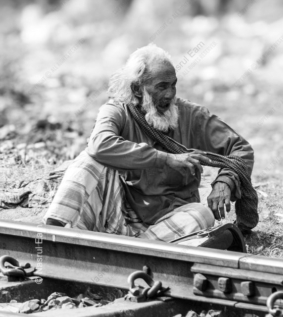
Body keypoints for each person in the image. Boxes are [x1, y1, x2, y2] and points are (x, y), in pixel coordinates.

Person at [43, 44, 256, 251]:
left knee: (204, 215)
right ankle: (52, 234)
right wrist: (166, 158)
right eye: (162, 86)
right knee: (88, 161)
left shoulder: (191, 115)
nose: (170, 94)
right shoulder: (117, 110)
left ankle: (134, 251)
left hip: (170, 222)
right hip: (118, 216)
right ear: (137, 88)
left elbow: (240, 149)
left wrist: (224, 181)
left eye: (173, 84)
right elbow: (99, 144)